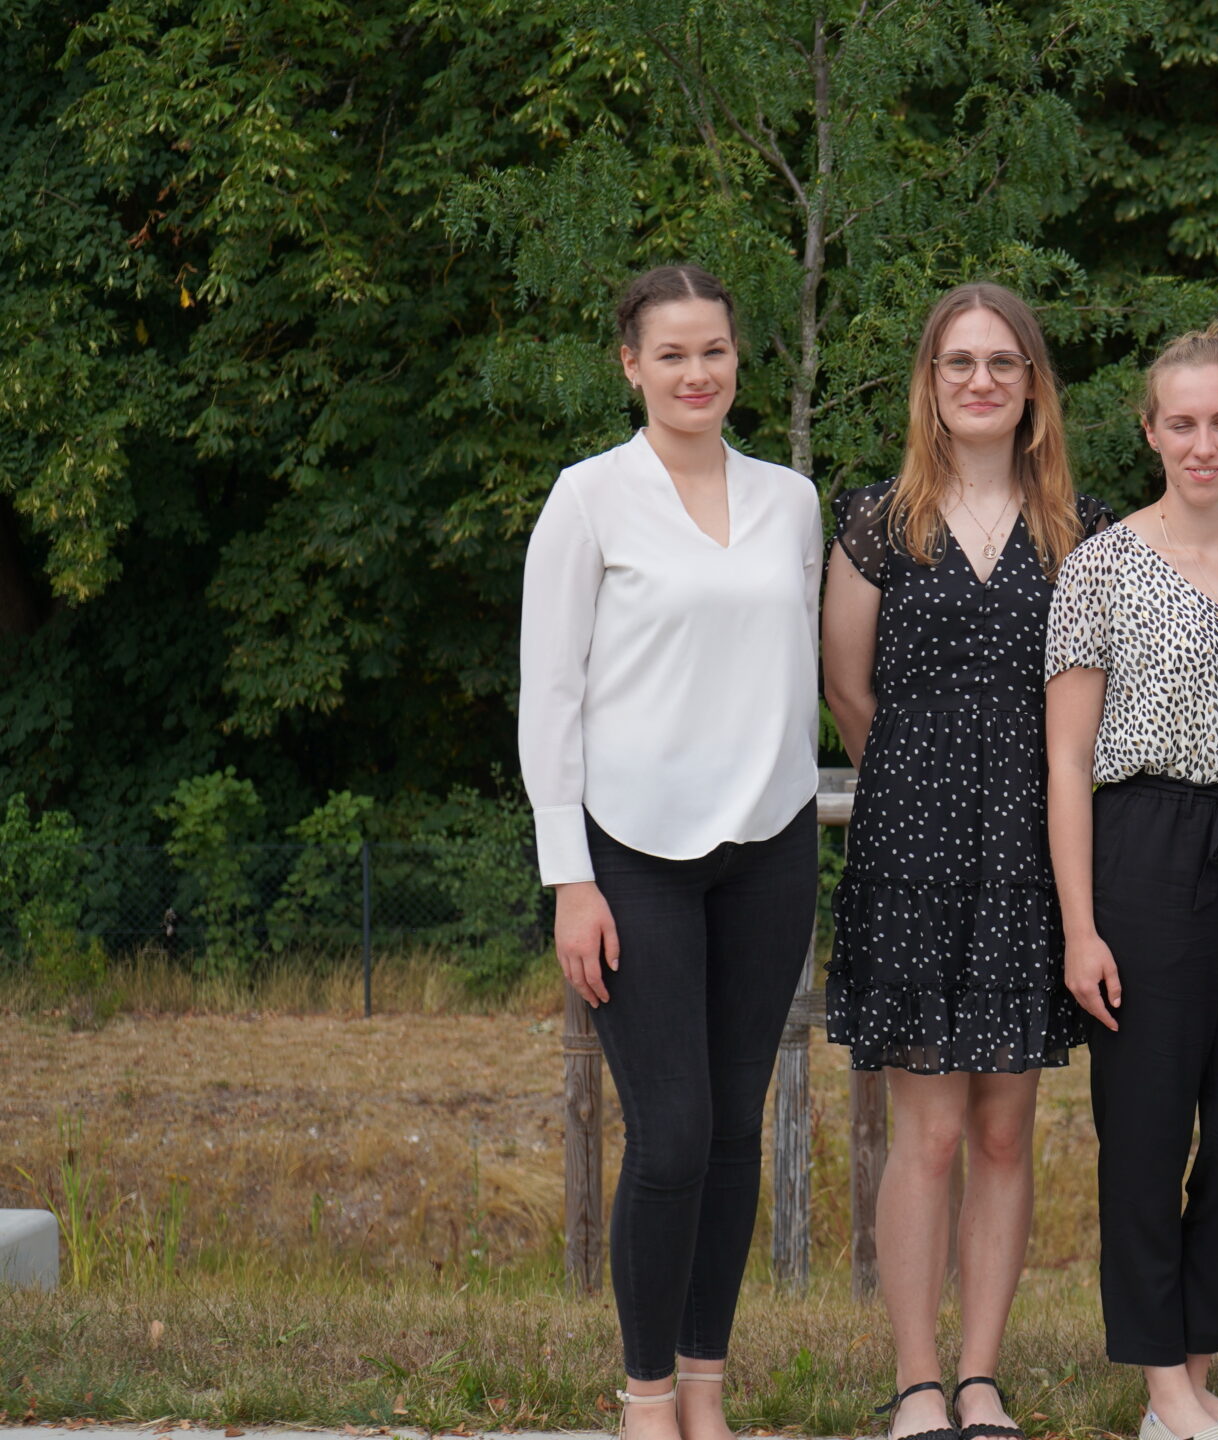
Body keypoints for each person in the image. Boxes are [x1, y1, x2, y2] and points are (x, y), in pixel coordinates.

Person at [520, 263, 820, 1439]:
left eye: (716, 351)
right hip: (629, 855)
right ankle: (644, 1394)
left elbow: (795, 666)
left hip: (770, 844)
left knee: (737, 1130)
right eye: (673, 354)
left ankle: (707, 1384)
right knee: (674, 1133)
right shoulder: (589, 499)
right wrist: (569, 877)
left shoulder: (789, 499)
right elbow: (550, 697)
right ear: (630, 365)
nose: (698, 374)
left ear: (740, 360)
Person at [823, 282, 1110, 1440]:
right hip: (909, 851)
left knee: (1004, 1131)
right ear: (930, 386)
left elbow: (1082, 720)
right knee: (928, 1132)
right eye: (958, 363)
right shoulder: (877, 523)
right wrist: (923, 795)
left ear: (1033, 384)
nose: (981, 380)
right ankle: (916, 1382)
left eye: (1002, 362)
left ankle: (982, 1378)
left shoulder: (1084, 534)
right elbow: (849, 694)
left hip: (1033, 861)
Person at [1044, 323, 1218, 1440]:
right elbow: (1066, 759)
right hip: (1143, 850)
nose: (1202, 443)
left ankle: (1196, 1378)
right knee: (1148, 1133)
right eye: (1181, 423)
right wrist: (1080, 926)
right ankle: (1162, 1382)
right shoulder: (1101, 566)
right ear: (1150, 431)